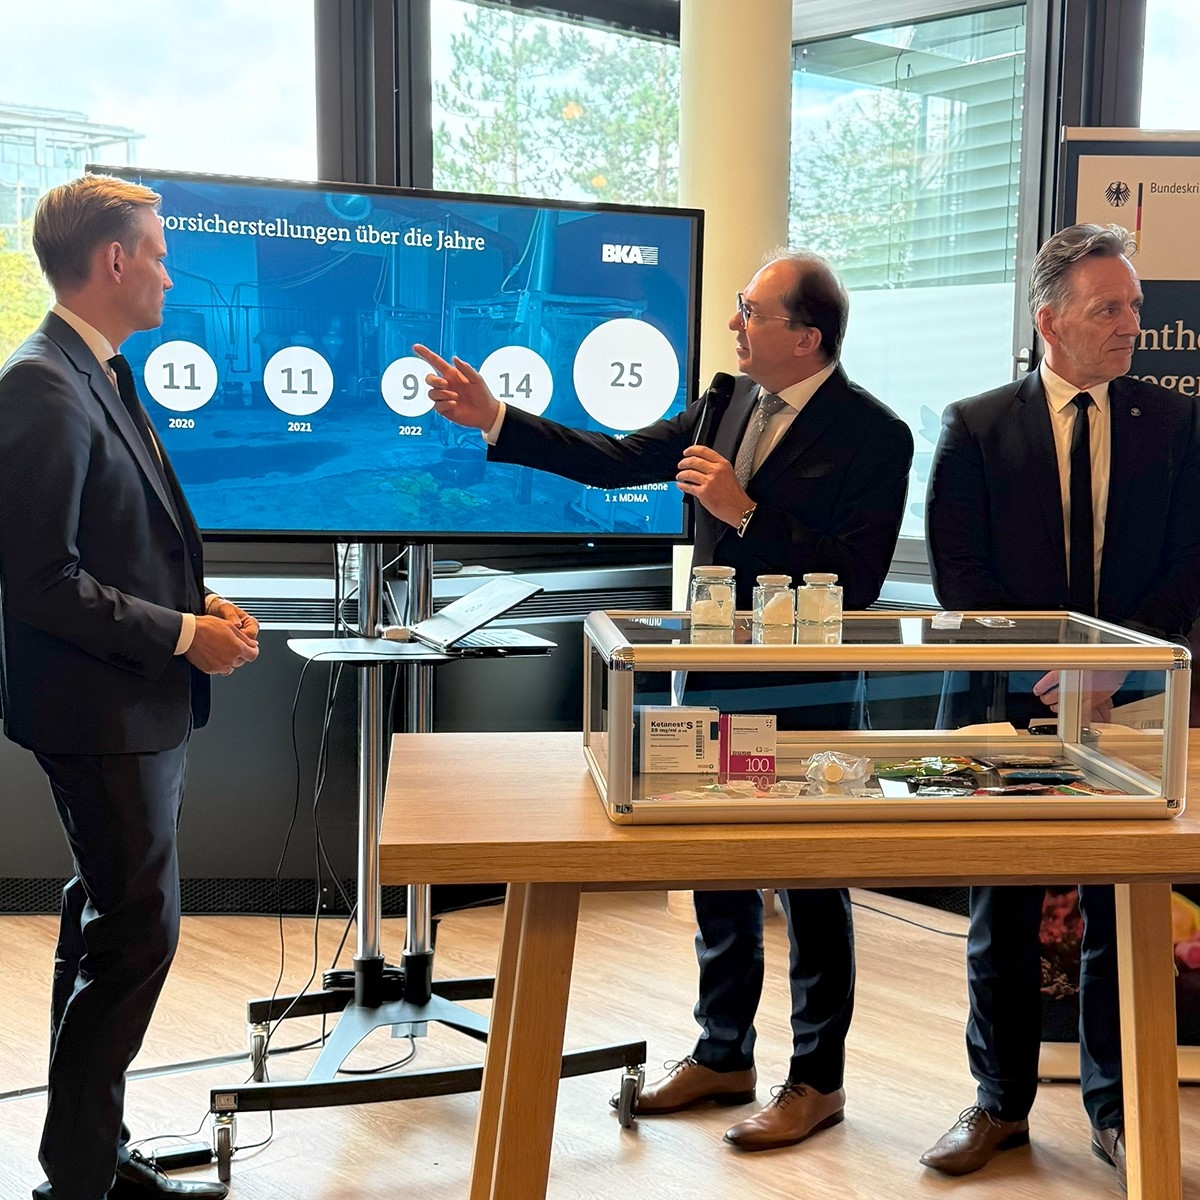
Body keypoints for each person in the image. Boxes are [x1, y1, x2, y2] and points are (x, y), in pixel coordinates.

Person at [414, 251, 913, 1152]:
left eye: (751, 310)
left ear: (806, 336)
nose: (733, 323)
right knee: (716, 870)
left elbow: (861, 576)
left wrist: (744, 510)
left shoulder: (877, 433)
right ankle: (723, 1054)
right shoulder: (727, 401)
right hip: (711, 678)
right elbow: (618, 460)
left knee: (810, 887)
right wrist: (496, 419)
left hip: (809, 694)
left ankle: (818, 1080)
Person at [922, 223, 1200, 1189]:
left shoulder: (1175, 423)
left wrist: (1112, 667)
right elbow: (961, 578)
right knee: (1000, 910)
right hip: (1007, 704)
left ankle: (1118, 1113)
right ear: (1049, 320)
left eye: (1135, 306)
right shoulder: (975, 424)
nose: (1132, 325)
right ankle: (999, 1104)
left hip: (1128, 706)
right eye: (1108, 308)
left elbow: (1190, 563)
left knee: (1120, 909)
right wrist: (1055, 665)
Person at [0, 175, 260, 1200]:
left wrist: (200, 603)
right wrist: (184, 634)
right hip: (100, 712)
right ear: (112, 261)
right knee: (138, 934)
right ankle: (78, 1183)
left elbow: (116, 535)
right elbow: (42, 581)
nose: (167, 273)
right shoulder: (41, 384)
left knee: (109, 919)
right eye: (157, 253)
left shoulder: (92, 371)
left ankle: (87, 1162)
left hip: (129, 705)